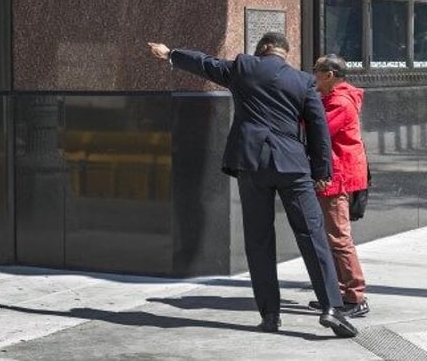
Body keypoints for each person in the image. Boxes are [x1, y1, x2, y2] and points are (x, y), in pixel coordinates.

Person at [147, 32, 357, 338]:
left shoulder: (245, 67)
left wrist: (170, 53)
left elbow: (206, 64)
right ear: (285, 53)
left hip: (252, 163)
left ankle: (270, 315)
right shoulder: (303, 81)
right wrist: (321, 170)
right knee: (312, 236)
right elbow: (318, 129)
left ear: (262, 49)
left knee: (259, 240)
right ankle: (332, 309)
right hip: (293, 166)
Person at [310, 54, 370, 317]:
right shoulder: (333, 99)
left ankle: (355, 297)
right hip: (334, 174)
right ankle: (336, 295)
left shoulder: (340, 102)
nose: (312, 75)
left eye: (316, 71)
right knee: (330, 237)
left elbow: (316, 130)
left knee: (338, 238)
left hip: (337, 177)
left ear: (329, 75)